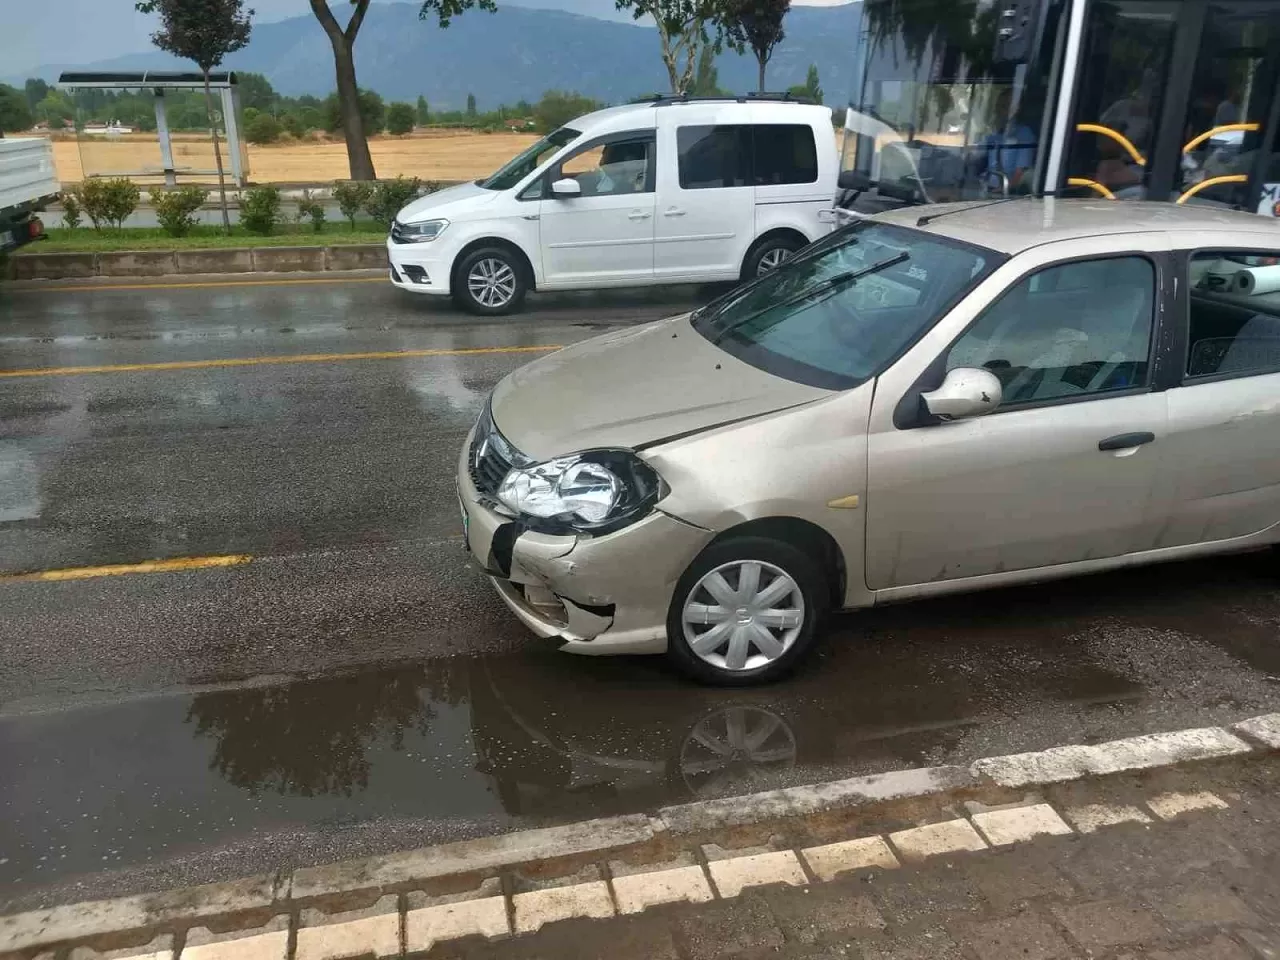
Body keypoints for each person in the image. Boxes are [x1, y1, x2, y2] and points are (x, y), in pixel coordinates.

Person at [979, 86, 1038, 193]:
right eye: (999, 106)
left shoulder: (1024, 134)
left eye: (1005, 106)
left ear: (1017, 108)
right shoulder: (995, 134)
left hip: (1006, 194)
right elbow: (978, 156)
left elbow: (1021, 172)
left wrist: (1004, 190)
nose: (999, 110)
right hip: (986, 189)